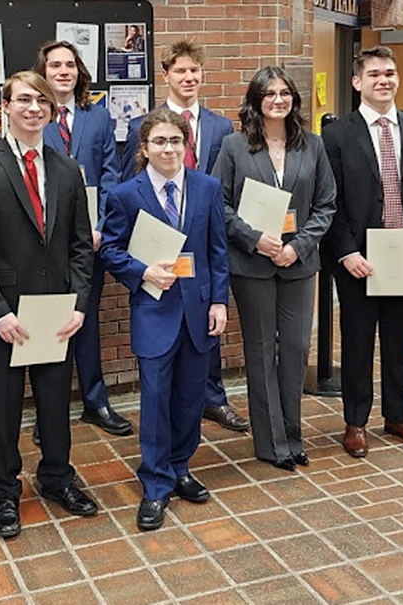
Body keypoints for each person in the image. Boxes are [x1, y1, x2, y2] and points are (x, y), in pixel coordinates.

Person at [0, 72, 97, 539]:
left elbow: (80, 245)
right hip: (6, 316)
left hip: (57, 310)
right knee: (3, 409)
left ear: (51, 109)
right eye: (23, 100)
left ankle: (57, 477)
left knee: (56, 404)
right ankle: (7, 492)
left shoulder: (65, 169)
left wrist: (79, 303)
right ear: (6, 105)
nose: (33, 107)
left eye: (41, 100)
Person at [100, 108, 229, 530]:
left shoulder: (208, 188)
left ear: (186, 145)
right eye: (160, 141)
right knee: (155, 402)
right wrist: (142, 273)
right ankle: (155, 485)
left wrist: (219, 303)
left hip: (198, 311)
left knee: (192, 399)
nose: (169, 149)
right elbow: (110, 250)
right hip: (155, 312)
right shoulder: (126, 195)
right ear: (144, 148)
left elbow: (217, 251)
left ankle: (180, 467)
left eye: (176, 141)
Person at [322, 46, 403, 458]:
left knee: (399, 342)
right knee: (357, 342)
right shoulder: (337, 135)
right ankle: (356, 423)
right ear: (357, 82)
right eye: (374, 74)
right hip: (360, 261)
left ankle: (399, 417)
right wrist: (344, 253)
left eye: (389, 73)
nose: (383, 80)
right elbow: (330, 200)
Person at [121, 39, 249, 433]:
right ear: (166, 76)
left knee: (203, 330)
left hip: (201, 241)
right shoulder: (141, 126)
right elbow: (131, 185)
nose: (188, 77)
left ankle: (213, 397)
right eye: (180, 71)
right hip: (159, 254)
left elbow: (221, 187)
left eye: (194, 70)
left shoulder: (221, 126)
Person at [212, 66, 336, 471]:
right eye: (269, 94)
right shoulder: (234, 146)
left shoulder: (312, 146)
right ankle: (271, 443)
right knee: (262, 351)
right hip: (252, 265)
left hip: (298, 264)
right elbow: (221, 205)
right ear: (256, 101)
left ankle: (293, 437)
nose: (278, 100)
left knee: (297, 350)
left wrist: (298, 246)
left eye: (285, 93)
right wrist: (254, 239)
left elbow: (325, 205)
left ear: (294, 100)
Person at [31, 40, 131, 442]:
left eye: (69, 65)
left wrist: (102, 226)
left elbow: (111, 175)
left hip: (91, 239)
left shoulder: (99, 117)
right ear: (44, 70)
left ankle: (96, 400)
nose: (63, 72)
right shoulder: (33, 115)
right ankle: (47, 410)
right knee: (47, 324)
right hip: (45, 239)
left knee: (85, 320)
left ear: (79, 71)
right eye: (54, 65)